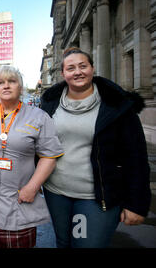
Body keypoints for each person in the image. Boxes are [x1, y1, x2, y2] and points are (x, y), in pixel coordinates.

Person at [40, 47, 151, 248]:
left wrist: (136, 203)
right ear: (63, 73)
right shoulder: (49, 104)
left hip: (96, 196)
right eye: (71, 68)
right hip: (56, 192)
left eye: (83, 66)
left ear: (92, 68)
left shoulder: (116, 105)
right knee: (64, 243)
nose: (78, 72)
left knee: (86, 244)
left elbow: (135, 156)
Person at [0, 65, 64, 248]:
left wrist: (32, 187)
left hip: (19, 200)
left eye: (12, 81)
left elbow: (49, 156)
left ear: (20, 87)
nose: (6, 86)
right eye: (1, 82)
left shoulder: (38, 116)